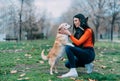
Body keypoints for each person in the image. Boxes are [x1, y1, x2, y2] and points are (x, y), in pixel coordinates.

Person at [58, 13, 95, 78]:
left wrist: (69, 34)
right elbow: (75, 45)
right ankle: (88, 65)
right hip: (82, 53)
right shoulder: (79, 31)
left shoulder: (88, 31)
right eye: (74, 21)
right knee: (67, 64)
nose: (74, 22)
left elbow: (78, 43)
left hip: (88, 53)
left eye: (76, 20)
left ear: (81, 20)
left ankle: (73, 71)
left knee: (68, 47)